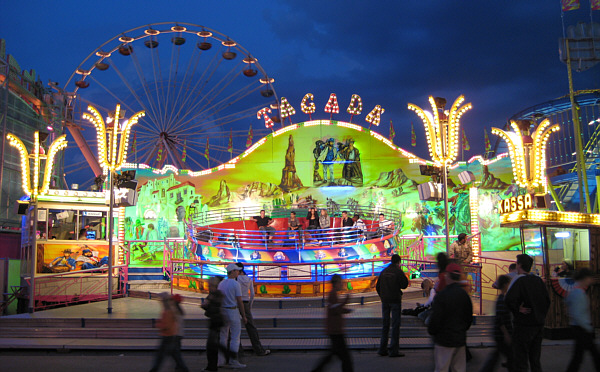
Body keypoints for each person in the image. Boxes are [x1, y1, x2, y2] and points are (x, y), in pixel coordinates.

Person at [504, 254, 550, 372]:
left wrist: (517, 310)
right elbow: (547, 300)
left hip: (523, 325)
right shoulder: (538, 281)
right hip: (538, 324)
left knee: (521, 359)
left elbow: (509, 299)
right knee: (535, 359)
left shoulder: (519, 281)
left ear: (519, 265)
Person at [428, 263, 473, 372]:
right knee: (459, 369)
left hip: (444, 339)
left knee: (442, 368)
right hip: (460, 339)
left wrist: (433, 331)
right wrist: (462, 330)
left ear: (447, 275)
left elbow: (436, 318)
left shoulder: (442, 296)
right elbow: (468, 318)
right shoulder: (464, 295)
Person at [310, 274, 353, 372]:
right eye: (340, 283)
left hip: (334, 329)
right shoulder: (332, 294)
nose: (342, 285)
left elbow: (335, 308)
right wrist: (346, 301)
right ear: (337, 283)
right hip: (336, 330)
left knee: (334, 354)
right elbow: (335, 309)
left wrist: (345, 310)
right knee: (345, 357)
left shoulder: (333, 294)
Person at [565, 268, 600, 372]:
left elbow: (570, 308)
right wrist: (588, 327)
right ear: (585, 278)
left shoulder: (573, 291)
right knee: (592, 355)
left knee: (578, 356)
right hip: (583, 328)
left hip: (578, 327)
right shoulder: (579, 293)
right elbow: (578, 314)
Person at [376, 254, 409, 357]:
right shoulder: (398, 271)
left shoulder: (384, 271)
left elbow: (378, 286)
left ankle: (382, 348)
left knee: (385, 325)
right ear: (399, 262)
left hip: (385, 300)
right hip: (395, 300)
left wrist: (382, 296)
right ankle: (394, 350)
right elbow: (404, 285)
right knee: (395, 325)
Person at [479, 274, 513, 372]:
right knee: (509, 356)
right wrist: (506, 333)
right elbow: (500, 318)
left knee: (497, 356)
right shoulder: (502, 299)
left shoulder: (501, 298)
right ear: (505, 285)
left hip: (499, 333)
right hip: (501, 334)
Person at [235, 263, 270, 357]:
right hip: (246, 303)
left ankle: (238, 351)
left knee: (235, 327)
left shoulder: (235, 279)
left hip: (236, 303)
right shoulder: (249, 279)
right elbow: (253, 295)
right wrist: (250, 305)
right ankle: (258, 349)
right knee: (251, 327)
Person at [217, 263, 248, 369]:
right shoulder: (235, 284)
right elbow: (239, 301)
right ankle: (233, 360)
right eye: (237, 271)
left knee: (223, 336)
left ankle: (221, 360)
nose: (239, 272)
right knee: (235, 337)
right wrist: (243, 315)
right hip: (233, 311)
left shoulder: (221, 284)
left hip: (223, 311)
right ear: (233, 272)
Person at [150, 293, 189, 372]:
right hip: (174, 335)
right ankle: (182, 368)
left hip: (169, 336)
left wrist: (158, 324)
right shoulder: (176, 310)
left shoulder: (170, 311)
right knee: (174, 354)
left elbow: (167, 325)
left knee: (162, 356)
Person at [201, 277, 225, 372]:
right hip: (215, 321)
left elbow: (211, 307)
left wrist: (207, 306)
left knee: (212, 346)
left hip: (215, 321)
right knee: (213, 345)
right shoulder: (215, 294)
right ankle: (212, 365)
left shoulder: (216, 294)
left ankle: (212, 366)